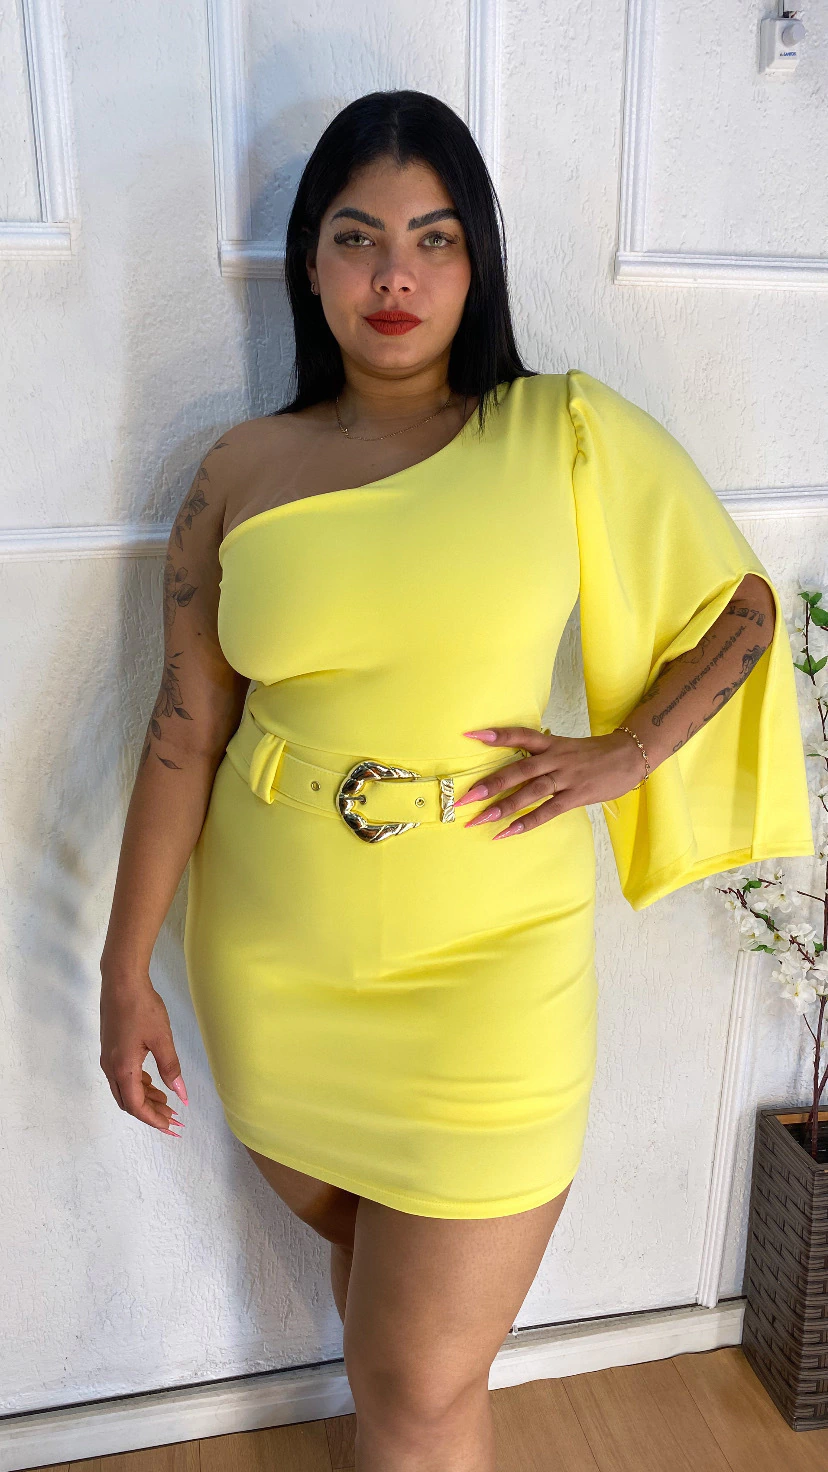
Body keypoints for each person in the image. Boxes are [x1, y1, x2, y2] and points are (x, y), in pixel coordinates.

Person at [99, 89, 813, 1472]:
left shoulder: (561, 432)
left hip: (494, 965)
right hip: (276, 961)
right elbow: (184, 732)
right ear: (311, 263)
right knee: (390, 1335)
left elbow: (740, 610)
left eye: (433, 239)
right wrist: (126, 970)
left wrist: (626, 753)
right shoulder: (236, 470)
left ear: (477, 262)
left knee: (418, 1382)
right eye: (357, 237)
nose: (396, 274)